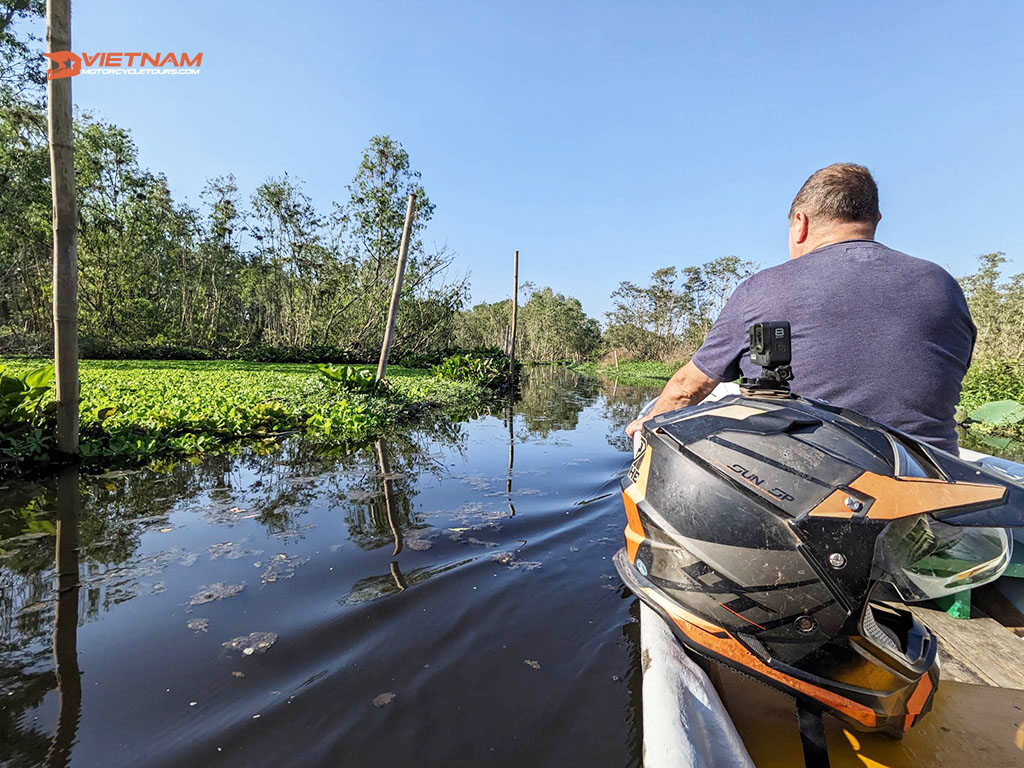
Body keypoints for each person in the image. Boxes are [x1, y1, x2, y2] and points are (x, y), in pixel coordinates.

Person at [626, 162, 975, 454]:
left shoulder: (763, 288)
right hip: (933, 484)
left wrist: (646, 426)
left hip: (814, 488)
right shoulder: (944, 285)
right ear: (875, 218)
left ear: (800, 223)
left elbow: (688, 389)